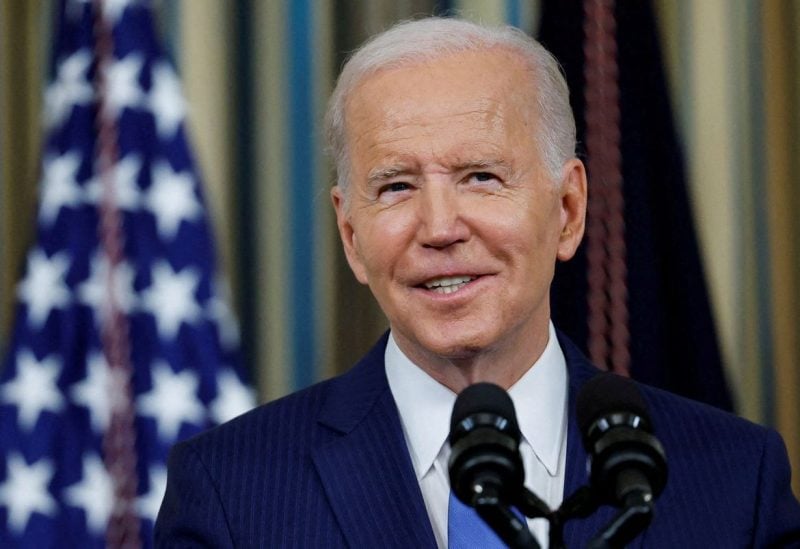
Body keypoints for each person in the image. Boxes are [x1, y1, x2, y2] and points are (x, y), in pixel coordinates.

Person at [155, 17, 800, 548]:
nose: (439, 228)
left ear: (569, 211)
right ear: (351, 236)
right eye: (396, 186)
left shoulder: (734, 483)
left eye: (481, 177)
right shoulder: (230, 491)